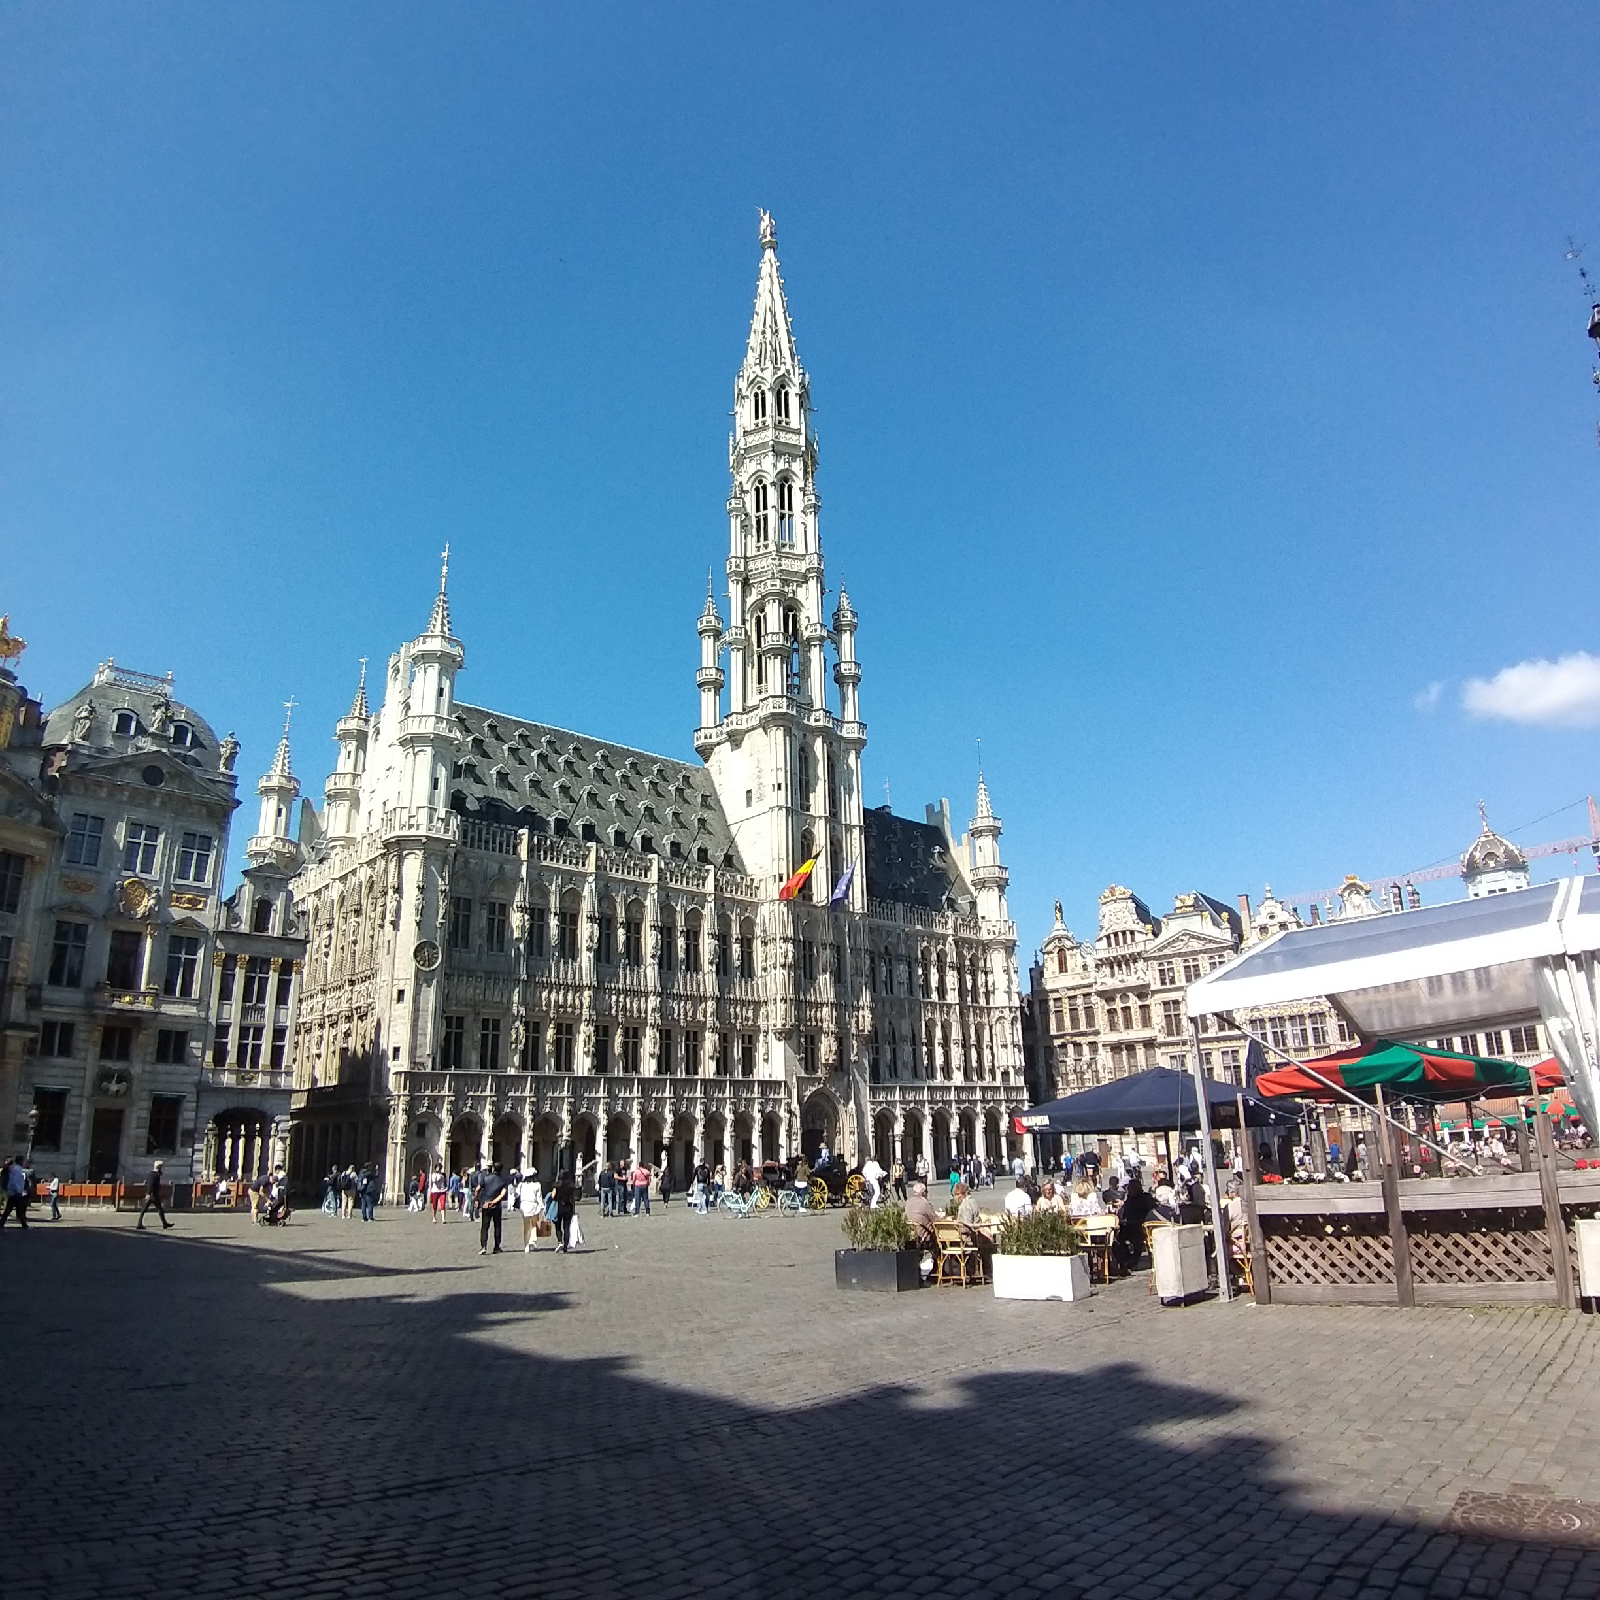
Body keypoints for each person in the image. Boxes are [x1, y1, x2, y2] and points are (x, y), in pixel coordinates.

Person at [476, 1163, 507, 1255]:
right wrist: (493, 1202)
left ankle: (483, 1246)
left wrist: (477, 1199)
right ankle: (496, 1247)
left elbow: (477, 1189)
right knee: (497, 1226)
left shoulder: (486, 1178)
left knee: (485, 1226)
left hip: (485, 1204)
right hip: (496, 1206)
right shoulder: (502, 1180)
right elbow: (502, 1194)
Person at [138, 1160, 172, 1231]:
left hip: (151, 1194)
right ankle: (164, 1223)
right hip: (153, 1194)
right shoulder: (155, 1175)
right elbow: (151, 1185)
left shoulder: (150, 1174)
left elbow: (146, 1183)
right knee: (159, 1209)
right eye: (161, 1167)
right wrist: (149, 1194)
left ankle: (139, 1223)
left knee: (144, 1209)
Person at [515, 1170, 545, 1251]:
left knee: (526, 1225)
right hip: (533, 1204)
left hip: (524, 1204)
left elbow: (517, 1194)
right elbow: (539, 1197)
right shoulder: (537, 1185)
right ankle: (533, 1240)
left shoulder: (521, 1185)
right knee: (534, 1223)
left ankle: (526, 1244)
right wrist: (542, 1207)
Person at [1, 1156, 29, 1229]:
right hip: (16, 1192)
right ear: (20, 1161)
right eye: (23, 1161)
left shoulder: (16, 1169)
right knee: (19, 1209)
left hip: (14, 1192)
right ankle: (24, 1225)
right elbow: (15, 1181)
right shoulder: (16, 1169)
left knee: (10, 1209)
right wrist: (19, 1190)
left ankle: (1, 1223)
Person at [553, 1169, 577, 1252]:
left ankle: (560, 1241)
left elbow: (553, 1196)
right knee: (567, 1227)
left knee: (558, 1226)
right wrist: (573, 1209)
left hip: (559, 1206)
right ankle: (565, 1246)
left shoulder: (557, 1185)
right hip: (568, 1207)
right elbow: (573, 1198)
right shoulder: (571, 1186)